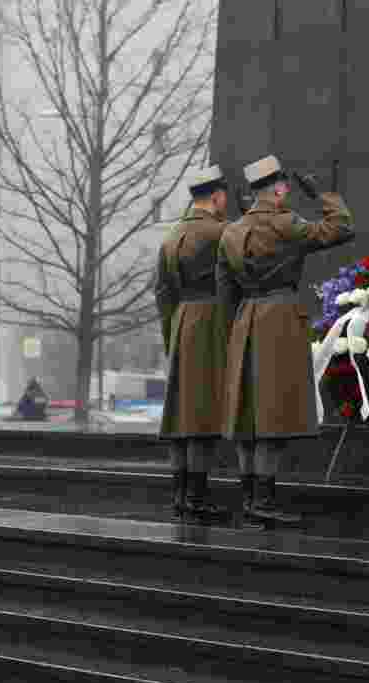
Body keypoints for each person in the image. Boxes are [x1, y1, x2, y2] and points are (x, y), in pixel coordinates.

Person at [217, 155, 355, 526]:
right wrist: (322, 195)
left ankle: (249, 500)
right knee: (272, 417)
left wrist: (237, 329)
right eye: (286, 187)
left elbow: (225, 292)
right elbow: (341, 228)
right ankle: (263, 502)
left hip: (244, 320)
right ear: (278, 188)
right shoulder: (287, 223)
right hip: (278, 319)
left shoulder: (231, 232)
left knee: (246, 416)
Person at [155, 164, 232, 524]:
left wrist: (172, 335)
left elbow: (162, 293)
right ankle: (197, 499)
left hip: (181, 323)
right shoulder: (222, 232)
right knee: (203, 413)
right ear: (216, 196)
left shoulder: (172, 236)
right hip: (211, 323)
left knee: (180, 415)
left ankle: (181, 497)